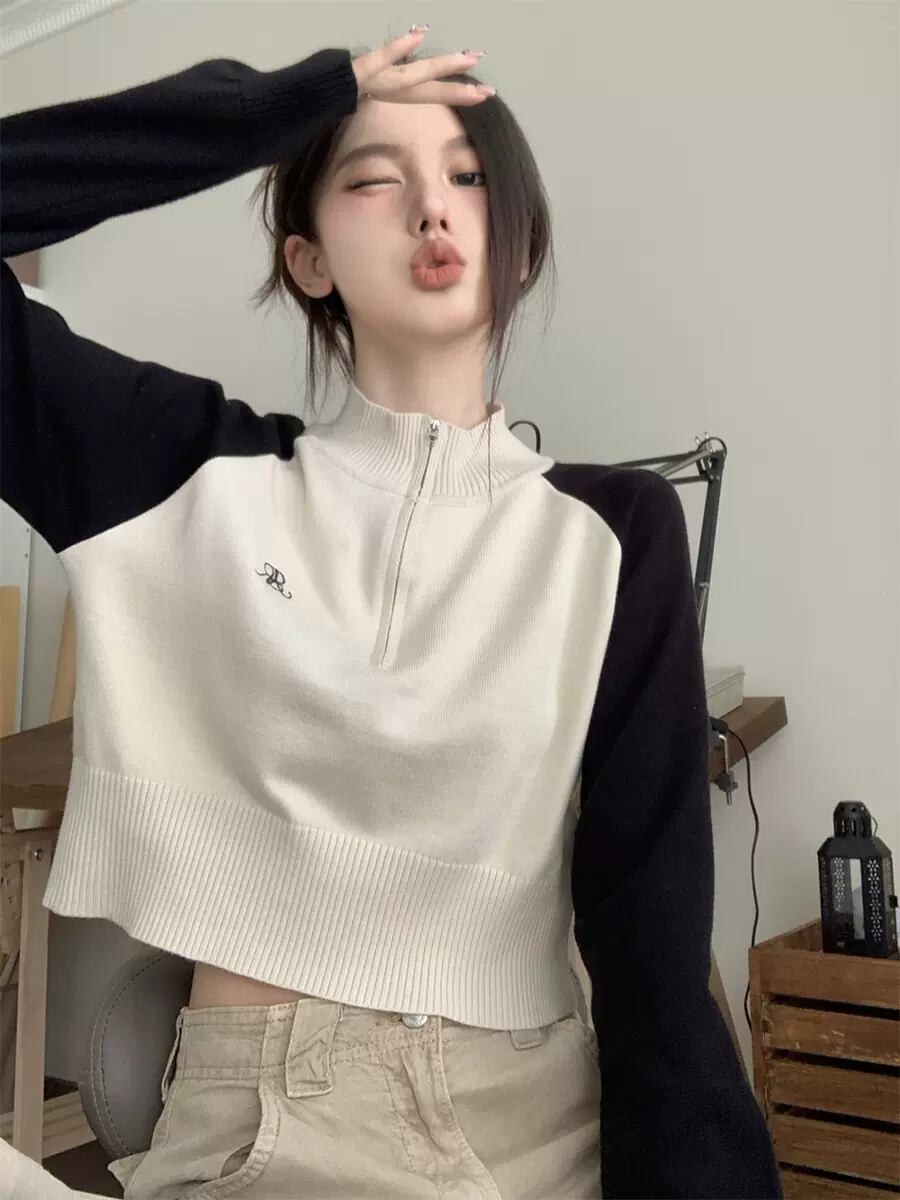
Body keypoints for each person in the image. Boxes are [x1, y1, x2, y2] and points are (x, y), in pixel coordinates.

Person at [0, 24, 782, 1200]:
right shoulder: (182, 480)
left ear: (520, 247)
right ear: (307, 258)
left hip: (532, 1116)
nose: (431, 207)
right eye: (374, 178)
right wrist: (279, 106)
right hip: (267, 1119)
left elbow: (650, 935)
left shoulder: (613, 533)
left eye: (469, 177)